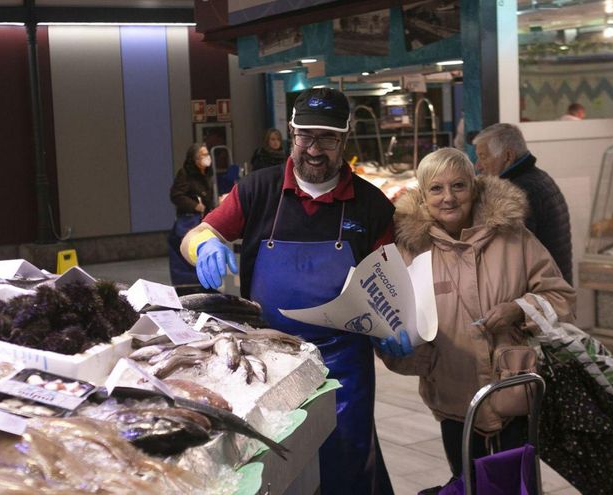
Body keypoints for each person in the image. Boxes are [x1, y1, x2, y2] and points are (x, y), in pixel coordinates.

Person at [180, 87, 397, 494]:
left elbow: (389, 285)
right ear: (292, 133)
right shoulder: (257, 191)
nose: (314, 150)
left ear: (345, 140)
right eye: (306, 136)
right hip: (267, 358)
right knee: (274, 463)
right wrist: (203, 246)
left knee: (346, 462)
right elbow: (198, 232)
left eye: (327, 138)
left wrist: (396, 331)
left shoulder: (372, 206)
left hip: (344, 365)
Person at [382, 148, 576, 493]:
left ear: (474, 188)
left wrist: (519, 308)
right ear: (423, 196)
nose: (448, 198)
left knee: (517, 484)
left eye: (458, 186)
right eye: (436, 189)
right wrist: (403, 349)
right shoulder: (410, 250)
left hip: (512, 389)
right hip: (452, 393)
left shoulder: (514, 237)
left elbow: (561, 298)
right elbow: (394, 319)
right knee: (467, 482)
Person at [473, 123, 573, 285]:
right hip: (554, 285)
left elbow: (510, 256)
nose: (477, 166)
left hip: (542, 292)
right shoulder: (538, 177)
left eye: (483, 157)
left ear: (507, 156)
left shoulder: (517, 191)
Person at [168, 143, 215, 293]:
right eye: (203, 155)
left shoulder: (206, 174)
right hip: (189, 220)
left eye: (207, 154)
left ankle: (203, 283)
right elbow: (176, 195)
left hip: (202, 220)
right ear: (195, 159)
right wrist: (195, 205)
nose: (207, 157)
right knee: (187, 252)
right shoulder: (185, 173)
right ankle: (188, 287)